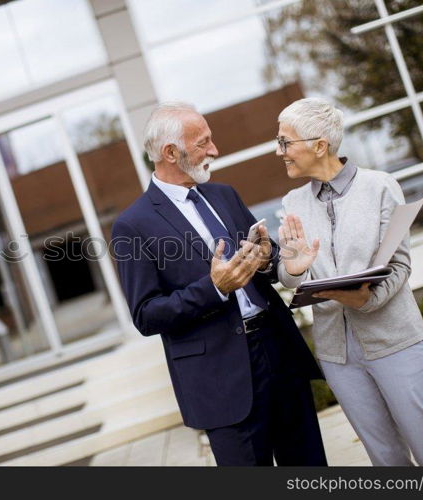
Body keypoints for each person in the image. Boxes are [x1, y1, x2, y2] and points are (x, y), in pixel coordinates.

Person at [111, 102, 327, 466]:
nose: (214, 150)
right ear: (170, 152)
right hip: (220, 380)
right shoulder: (132, 225)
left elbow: (265, 257)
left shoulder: (224, 194)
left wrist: (277, 259)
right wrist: (213, 289)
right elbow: (146, 315)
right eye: (203, 143)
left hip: (278, 351)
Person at [275, 97, 423, 466]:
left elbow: (400, 265)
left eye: (285, 142)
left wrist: (367, 300)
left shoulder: (379, 186)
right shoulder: (293, 202)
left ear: (319, 145)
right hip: (338, 355)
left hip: (395, 340)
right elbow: (290, 278)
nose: (279, 151)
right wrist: (294, 268)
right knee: (385, 459)